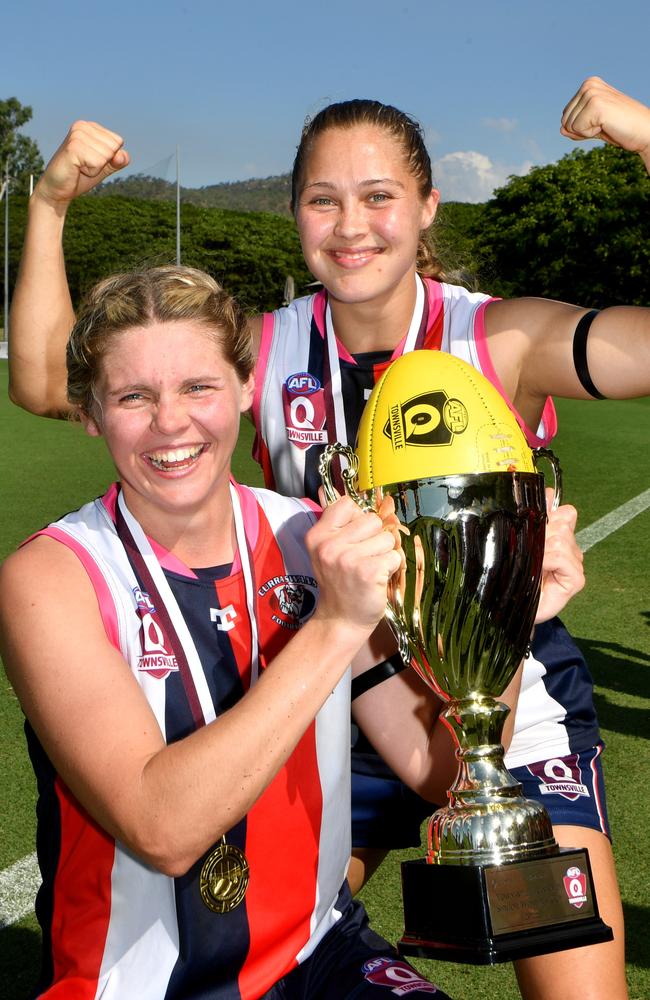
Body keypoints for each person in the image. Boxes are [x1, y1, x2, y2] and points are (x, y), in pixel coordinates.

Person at [7, 76, 645, 999]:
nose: (352, 225)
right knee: (262, 934)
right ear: (295, 212)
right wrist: (53, 201)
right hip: (330, 679)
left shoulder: (498, 337)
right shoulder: (259, 352)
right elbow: (48, 379)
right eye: (322, 198)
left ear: (428, 206)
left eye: (380, 195)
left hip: (492, 701)